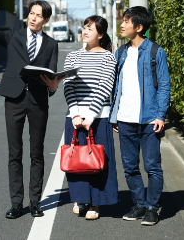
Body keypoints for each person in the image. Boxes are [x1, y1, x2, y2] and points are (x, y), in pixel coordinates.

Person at [0, 0, 64, 219]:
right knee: (15, 153)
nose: (33, 18)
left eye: (38, 15)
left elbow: (51, 76)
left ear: (46, 20)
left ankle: (35, 202)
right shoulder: (14, 35)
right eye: (31, 13)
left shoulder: (51, 44)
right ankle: (16, 203)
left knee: (37, 152)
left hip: (39, 100)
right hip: (14, 98)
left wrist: (53, 87)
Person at [109, 6, 171, 226]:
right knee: (130, 166)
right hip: (125, 119)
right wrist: (115, 115)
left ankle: (153, 207)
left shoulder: (156, 52)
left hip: (149, 119)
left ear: (139, 26)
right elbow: (117, 86)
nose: (122, 25)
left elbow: (164, 85)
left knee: (152, 166)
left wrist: (160, 115)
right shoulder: (120, 52)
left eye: (127, 21)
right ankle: (140, 204)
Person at [63, 15, 118, 220]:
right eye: (84, 27)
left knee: (98, 161)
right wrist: (76, 113)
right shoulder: (72, 56)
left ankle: (96, 204)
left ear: (101, 34)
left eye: (90, 29)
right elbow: (68, 85)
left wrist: (91, 115)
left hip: (99, 117)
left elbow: (105, 88)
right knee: (77, 160)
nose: (85, 32)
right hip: (75, 117)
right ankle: (80, 199)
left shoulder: (108, 57)